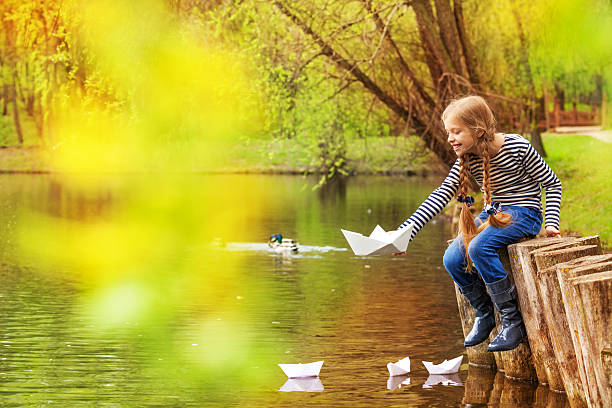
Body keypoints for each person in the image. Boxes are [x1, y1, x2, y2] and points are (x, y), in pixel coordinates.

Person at [397, 95, 562, 352]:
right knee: (451, 259)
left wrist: (551, 223)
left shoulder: (517, 146)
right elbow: (441, 194)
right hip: (493, 213)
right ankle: (484, 313)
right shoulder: (466, 157)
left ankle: (512, 320)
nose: (450, 138)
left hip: (525, 213)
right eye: (448, 132)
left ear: (478, 131)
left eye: (456, 131)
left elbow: (552, 183)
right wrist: (405, 232)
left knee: (478, 248)